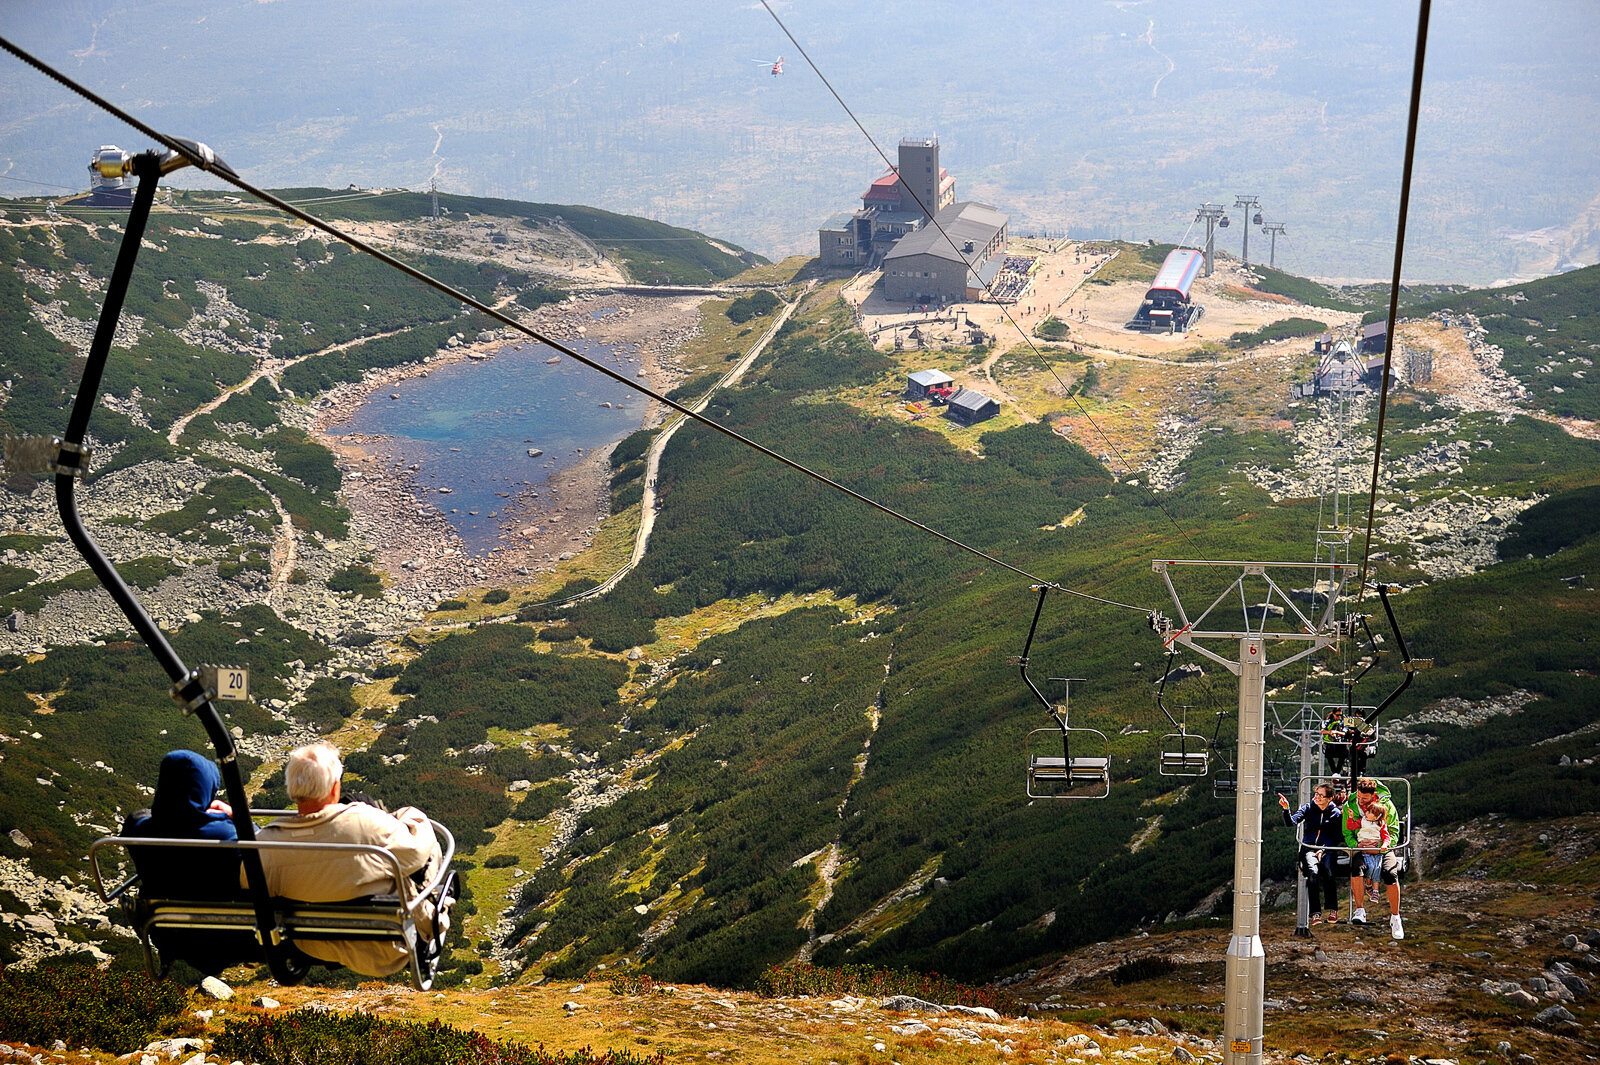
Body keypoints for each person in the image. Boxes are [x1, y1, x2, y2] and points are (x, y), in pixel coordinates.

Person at [252, 741, 447, 977]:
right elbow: (417, 854)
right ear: (335, 788)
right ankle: (429, 920)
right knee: (423, 850)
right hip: (380, 948)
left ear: (291, 788)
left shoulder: (264, 844)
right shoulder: (366, 824)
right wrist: (410, 817)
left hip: (307, 942)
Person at [122, 750, 257, 977]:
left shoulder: (138, 829)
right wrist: (234, 816)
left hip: (167, 932)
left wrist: (179, 807)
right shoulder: (226, 834)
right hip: (232, 935)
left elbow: (145, 815)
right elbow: (261, 846)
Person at [1343, 777, 1404, 939]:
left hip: (1382, 847)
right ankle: (1360, 909)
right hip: (1361, 846)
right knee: (1356, 867)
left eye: (1365, 798)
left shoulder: (1385, 807)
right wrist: (1356, 845)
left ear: (1373, 795)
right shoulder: (1350, 806)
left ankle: (1395, 916)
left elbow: (1393, 831)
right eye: (1359, 797)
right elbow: (1347, 831)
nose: (1361, 801)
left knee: (1390, 873)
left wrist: (1380, 846)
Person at [1278, 783, 1347, 926]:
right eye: (1316, 794)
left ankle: (1332, 909)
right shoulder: (1308, 808)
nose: (1317, 797)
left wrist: (1324, 849)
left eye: (1321, 795)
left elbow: (1336, 836)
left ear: (1329, 798)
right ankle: (1315, 912)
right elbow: (1291, 822)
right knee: (1312, 873)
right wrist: (1286, 809)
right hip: (1309, 847)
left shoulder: (1335, 813)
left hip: (1327, 848)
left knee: (1329, 871)